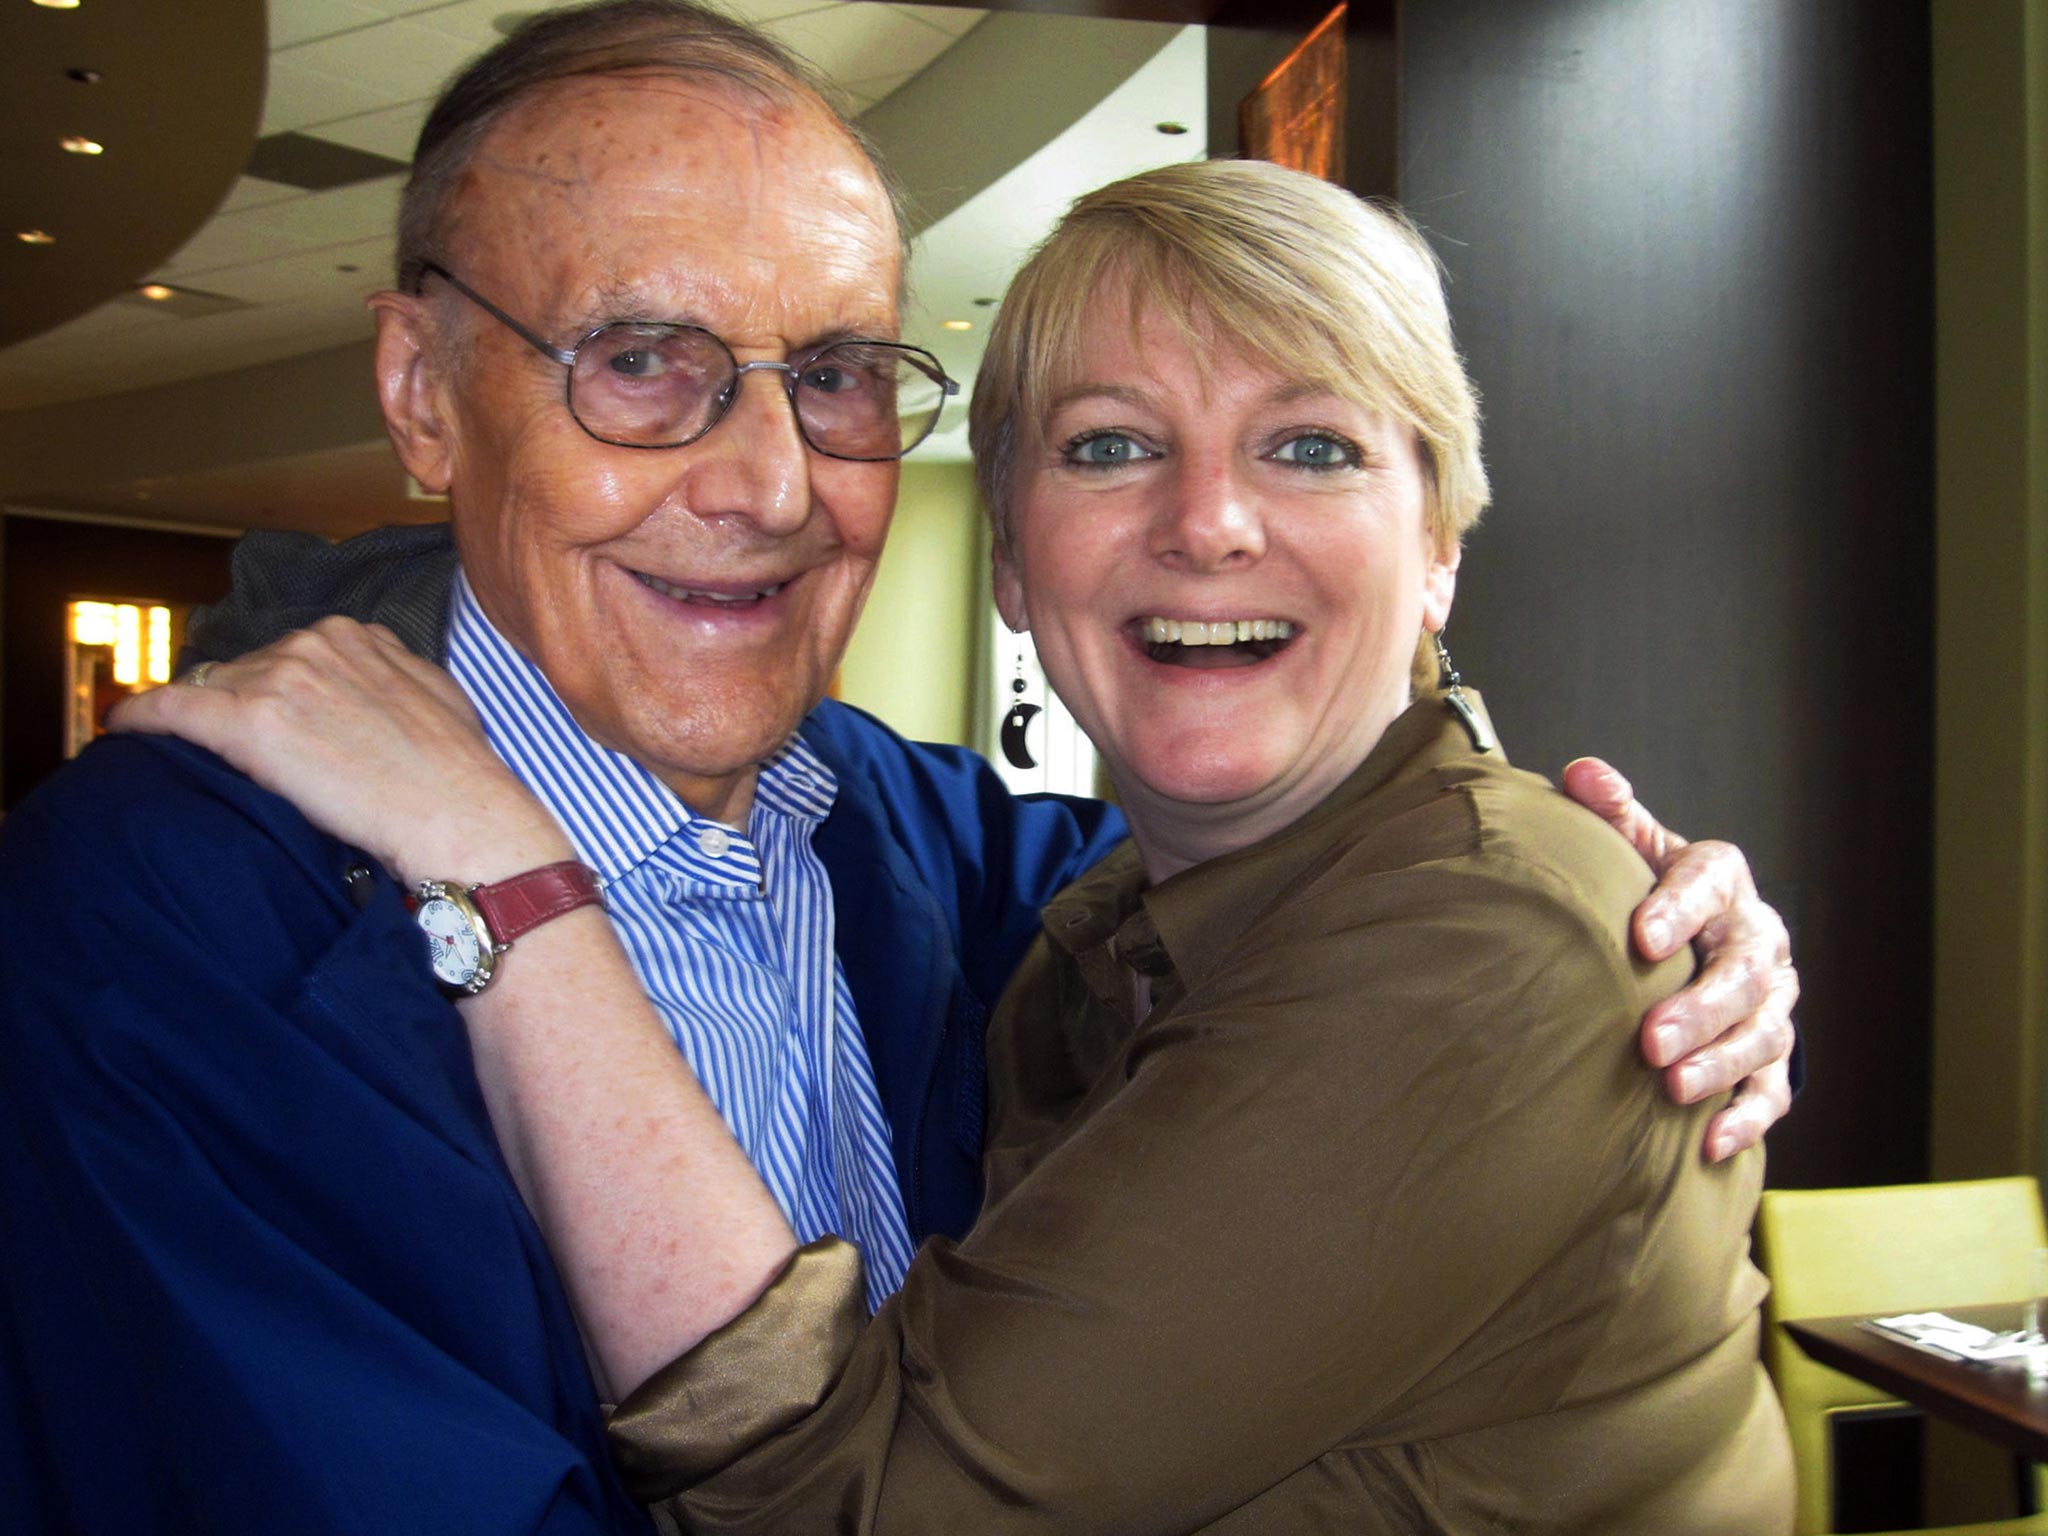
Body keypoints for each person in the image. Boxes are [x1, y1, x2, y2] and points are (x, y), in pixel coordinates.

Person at [0, 2, 1790, 1530]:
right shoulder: (151, 924)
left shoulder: (934, 850)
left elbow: (1365, 926)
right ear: (421, 397)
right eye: (642, 362)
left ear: (1450, 536)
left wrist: (1649, 909)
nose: (771, 482)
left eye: (840, 373)